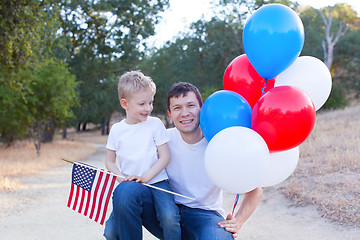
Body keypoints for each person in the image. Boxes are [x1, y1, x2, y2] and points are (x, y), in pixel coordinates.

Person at [104, 81, 262, 240]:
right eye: (177, 108)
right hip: (165, 210)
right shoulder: (162, 140)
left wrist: (238, 221)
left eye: (191, 105)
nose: (185, 113)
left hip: (205, 215)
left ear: (202, 108)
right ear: (170, 114)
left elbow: (255, 189)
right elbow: (132, 169)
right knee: (126, 189)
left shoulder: (217, 144)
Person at [104, 70, 181, 240]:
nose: (148, 108)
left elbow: (165, 157)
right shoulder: (117, 130)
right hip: (130, 184)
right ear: (125, 104)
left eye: (150, 102)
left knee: (170, 218)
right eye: (142, 104)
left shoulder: (154, 124)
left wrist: (146, 177)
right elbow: (109, 161)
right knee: (110, 232)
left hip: (157, 181)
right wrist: (121, 178)